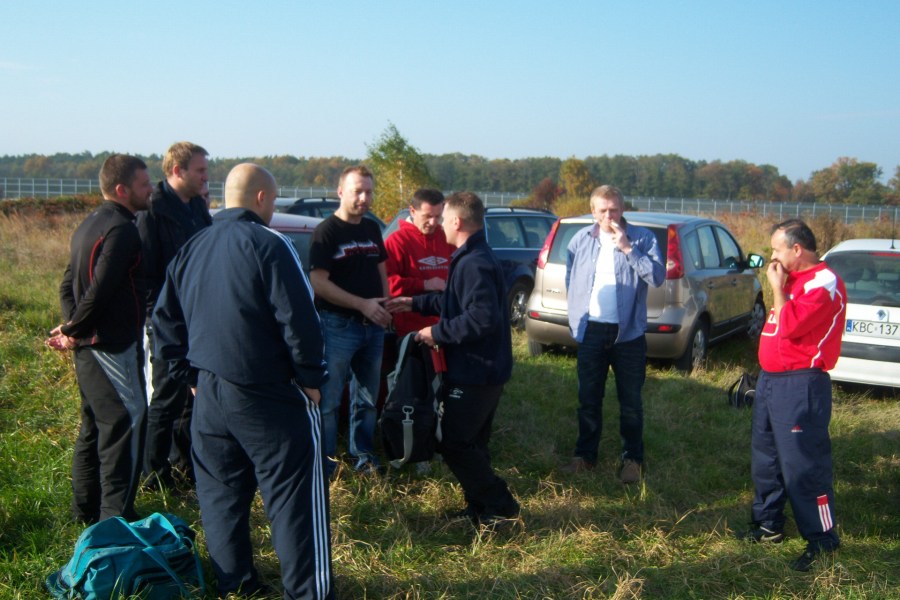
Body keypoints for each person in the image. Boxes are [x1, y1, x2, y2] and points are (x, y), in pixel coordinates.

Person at [151, 163, 332, 598]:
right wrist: (312, 377)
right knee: (294, 497)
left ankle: (236, 586)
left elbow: (163, 321)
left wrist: (189, 376)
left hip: (210, 393)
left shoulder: (193, 246)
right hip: (268, 391)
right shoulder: (271, 242)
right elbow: (300, 318)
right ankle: (308, 592)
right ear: (262, 198)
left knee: (221, 496)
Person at [388, 192, 520, 527]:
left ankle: (502, 506)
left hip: (477, 371)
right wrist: (415, 303)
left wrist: (437, 332)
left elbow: (481, 318)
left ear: (457, 222)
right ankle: (480, 508)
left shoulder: (474, 263)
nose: (440, 225)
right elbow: (454, 302)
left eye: (444, 218)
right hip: (484, 368)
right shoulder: (472, 256)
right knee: (473, 442)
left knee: (454, 442)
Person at [47, 154, 154, 524]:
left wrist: (71, 327)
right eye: (144, 184)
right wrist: (73, 330)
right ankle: (115, 520)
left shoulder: (88, 223)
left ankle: (84, 512)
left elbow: (67, 285)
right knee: (127, 423)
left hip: (89, 344)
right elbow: (101, 289)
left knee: (94, 424)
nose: (150, 190)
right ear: (122, 189)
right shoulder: (122, 229)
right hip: (111, 346)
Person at [742, 218, 846, 572]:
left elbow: (789, 326)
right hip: (771, 380)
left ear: (797, 249)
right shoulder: (791, 280)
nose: (772, 256)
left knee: (804, 464)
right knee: (767, 458)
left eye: (777, 249)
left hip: (801, 383)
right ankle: (768, 523)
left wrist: (776, 288)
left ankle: (822, 539)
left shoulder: (823, 282)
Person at [560, 185, 665, 483]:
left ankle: (632, 460)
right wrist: (577, 318)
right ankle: (585, 457)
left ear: (622, 209)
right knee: (588, 399)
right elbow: (571, 279)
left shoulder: (643, 238)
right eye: (603, 210)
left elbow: (657, 277)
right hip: (591, 331)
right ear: (593, 211)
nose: (609, 216)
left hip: (627, 334)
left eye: (614, 210)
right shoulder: (580, 240)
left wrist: (628, 249)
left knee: (630, 402)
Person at [137, 141, 212, 491]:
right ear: (177, 171)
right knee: (166, 397)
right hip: (167, 320)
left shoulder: (197, 206)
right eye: (200, 170)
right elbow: (146, 274)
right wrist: (158, 320)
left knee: (190, 397)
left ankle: (184, 466)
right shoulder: (152, 211)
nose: (206, 177)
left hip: (198, 317)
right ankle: (154, 474)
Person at [308, 165, 391, 477]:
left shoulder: (371, 229)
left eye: (369, 192)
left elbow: (381, 269)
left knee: (367, 398)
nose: (364, 198)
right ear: (341, 192)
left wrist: (384, 305)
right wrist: (362, 304)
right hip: (338, 325)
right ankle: (326, 463)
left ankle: (363, 456)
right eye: (358, 191)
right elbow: (318, 283)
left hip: (374, 326)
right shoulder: (327, 231)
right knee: (329, 400)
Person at [384, 188, 454, 338]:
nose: (433, 222)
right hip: (412, 330)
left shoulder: (447, 236)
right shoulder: (397, 241)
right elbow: (386, 284)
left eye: (438, 216)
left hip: (445, 327)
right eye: (427, 216)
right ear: (412, 211)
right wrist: (425, 284)